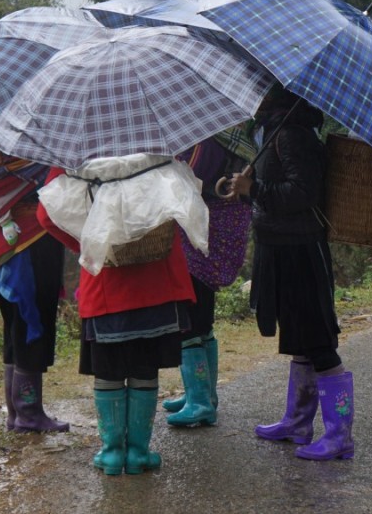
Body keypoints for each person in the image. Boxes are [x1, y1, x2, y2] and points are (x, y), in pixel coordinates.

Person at [37, 166, 196, 475]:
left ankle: (111, 454)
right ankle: (138, 453)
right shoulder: (156, 146)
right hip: (157, 281)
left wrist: (90, 244)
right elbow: (183, 197)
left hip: (105, 285)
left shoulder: (76, 154)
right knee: (145, 366)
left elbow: (46, 214)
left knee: (108, 369)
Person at [228, 87, 354, 461]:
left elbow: (303, 194)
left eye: (262, 92)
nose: (254, 97)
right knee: (298, 339)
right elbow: (274, 192)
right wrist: (248, 190)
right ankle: (298, 422)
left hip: (301, 251)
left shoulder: (293, 134)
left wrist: (254, 187)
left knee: (318, 342)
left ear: (277, 96)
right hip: (278, 248)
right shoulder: (274, 131)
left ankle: (340, 436)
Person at [0, 149, 68, 433]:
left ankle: (17, 413)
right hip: (27, 244)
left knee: (15, 329)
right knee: (30, 325)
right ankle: (28, 414)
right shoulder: (23, 154)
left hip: (0, 246)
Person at [162, 131, 254, 427]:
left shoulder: (207, 143)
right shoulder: (221, 137)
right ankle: (203, 394)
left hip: (204, 234)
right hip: (207, 232)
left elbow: (190, 180)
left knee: (190, 315)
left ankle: (200, 400)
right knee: (201, 315)